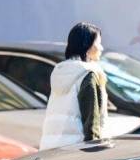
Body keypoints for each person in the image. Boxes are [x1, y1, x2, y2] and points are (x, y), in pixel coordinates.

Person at [40, 22, 108, 150]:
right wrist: (96, 152)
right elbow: (91, 124)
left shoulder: (60, 72)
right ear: (87, 46)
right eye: (98, 43)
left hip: (49, 148)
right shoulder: (87, 74)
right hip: (76, 151)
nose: (101, 48)